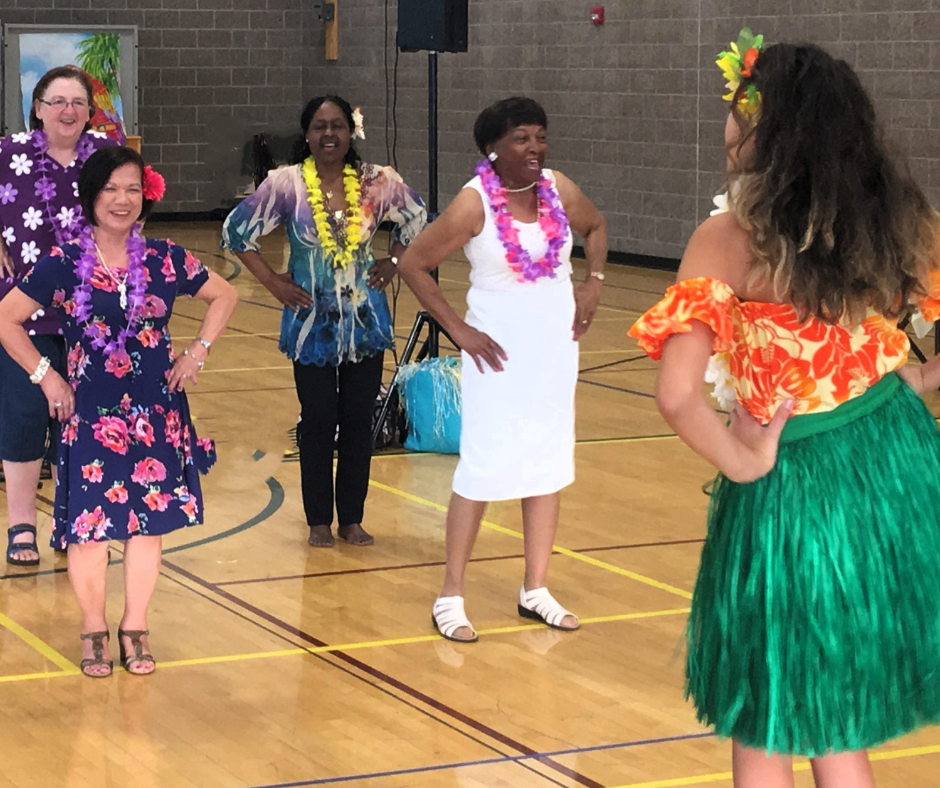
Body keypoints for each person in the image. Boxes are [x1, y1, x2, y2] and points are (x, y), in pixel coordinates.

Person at [629, 30, 940, 787]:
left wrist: (743, 457)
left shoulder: (730, 238)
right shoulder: (894, 217)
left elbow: (677, 393)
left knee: (771, 710)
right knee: (834, 714)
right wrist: (919, 380)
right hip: (893, 470)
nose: (726, 125)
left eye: (736, 111)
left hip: (794, 484)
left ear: (764, 130)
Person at [0, 147, 238, 677]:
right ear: (90, 197)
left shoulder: (167, 258)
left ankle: (135, 625)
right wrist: (47, 376)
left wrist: (197, 352)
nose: (122, 199)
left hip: (156, 410)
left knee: (146, 524)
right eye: (110, 189)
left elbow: (224, 296)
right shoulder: (64, 262)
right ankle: (92, 628)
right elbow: (6, 319)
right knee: (90, 526)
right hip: (90, 412)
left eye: (132, 188)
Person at [397, 97, 608, 643]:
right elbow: (414, 263)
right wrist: (458, 331)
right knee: (483, 466)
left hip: (555, 349)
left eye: (539, 136)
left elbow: (596, 226)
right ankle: (451, 593)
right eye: (521, 137)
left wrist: (593, 284)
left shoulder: (558, 188)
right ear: (492, 148)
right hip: (495, 353)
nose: (534, 147)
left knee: (547, 459)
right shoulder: (474, 205)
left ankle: (535, 587)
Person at [222, 95, 427, 548]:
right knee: (317, 419)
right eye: (319, 126)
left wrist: (394, 261)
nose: (328, 134)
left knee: (357, 419)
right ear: (307, 134)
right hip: (310, 323)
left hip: (364, 319)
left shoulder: (377, 181)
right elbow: (236, 232)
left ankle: (351, 518)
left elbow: (416, 217)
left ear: (350, 132)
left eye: (337, 126)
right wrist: (273, 283)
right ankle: (318, 520)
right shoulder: (287, 184)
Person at [0, 66, 116, 566]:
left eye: (77, 102)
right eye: (57, 101)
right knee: (25, 417)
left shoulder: (107, 160)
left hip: (91, 314)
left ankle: (79, 522)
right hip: (21, 314)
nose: (68, 111)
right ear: (38, 108)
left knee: (86, 421)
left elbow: (134, 210)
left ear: (90, 112)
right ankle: (21, 522)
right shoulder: (9, 153)